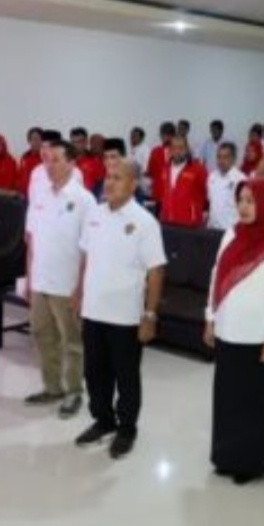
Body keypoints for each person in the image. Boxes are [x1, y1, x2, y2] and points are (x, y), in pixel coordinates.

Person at [204, 177, 264, 484]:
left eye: (251, 201)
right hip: (228, 331)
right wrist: (210, 317)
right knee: (228, 399)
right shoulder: (232, 234)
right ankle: (226, 456)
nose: (243, 207)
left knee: (256, 403)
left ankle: (253, 462)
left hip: (259, 338)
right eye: (241, 200)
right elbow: (217, 275)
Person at [75, 157, 166, 459]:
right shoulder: (94, 214)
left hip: (125, 316)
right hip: (93, 310)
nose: (109, 182)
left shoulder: (145, 221)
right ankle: (103, 421)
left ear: (133, 184)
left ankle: (127, 428)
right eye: (108, 177)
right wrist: (78, 293)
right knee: (94, 372)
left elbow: (156, 270)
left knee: (126, 376)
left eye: (117, 177)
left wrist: (149, 315)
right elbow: (86, 257)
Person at [24, 138, 97, 417]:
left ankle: (75, 391)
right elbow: (31, 241)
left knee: (72, 341)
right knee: (42, 334)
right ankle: (52, 387)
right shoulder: (40, 196)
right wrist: (29, 278)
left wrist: (81, 288)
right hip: (40, 280)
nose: (50, 165)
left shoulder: (84, 199)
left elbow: (89, 249)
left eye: (56, 159)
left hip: (68, 284)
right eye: (47, 160)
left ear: (71, 163)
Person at [156, 135, 209, 228]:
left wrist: (203, 213)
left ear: (187, 149)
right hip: (167, 221)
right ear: (170, 150)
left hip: (190, 224)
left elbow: (207, 194)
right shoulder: (165, 169)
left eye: (181, 148)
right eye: (174, 148)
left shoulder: (198, 169)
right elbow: (162, 195)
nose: (177, 151)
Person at [207, 142, 246, 230]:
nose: (221, 161)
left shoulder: (241, 179)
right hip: (212, 228)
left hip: (230, 230)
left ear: (233, 159)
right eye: (219, 157)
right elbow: (211, 202)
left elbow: (245, 208)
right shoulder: (212, 176)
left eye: (225, 157)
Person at [147, 122, 177, 210]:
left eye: (167, 134)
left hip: (172, 193)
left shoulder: (178, 151)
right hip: (161, 192)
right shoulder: (155, 151)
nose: (164, 137)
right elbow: (151, 171)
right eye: (163, 134)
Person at [71, 127, 104, 194]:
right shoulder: (66, 162)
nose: (76, 145)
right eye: (73, 142)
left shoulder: (96, 162)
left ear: (86, 142)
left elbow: (100, 186)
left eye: (79, 142)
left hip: (89, 197)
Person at [18, 127, 44, 196]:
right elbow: (21, 176)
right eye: (34, 139)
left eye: (39, 139)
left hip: (40, 196)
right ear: (29, 141)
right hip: (25, 196)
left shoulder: (46, 158)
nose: (36, 142)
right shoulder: (25, 157)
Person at [130, 127, 152, 197]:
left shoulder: (145, 150)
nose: (132, 138)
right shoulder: (133, 150)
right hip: (135, 184)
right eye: (131, 136)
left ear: (142, 138)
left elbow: (146, 169)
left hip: (143, 186)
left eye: (135, 136)